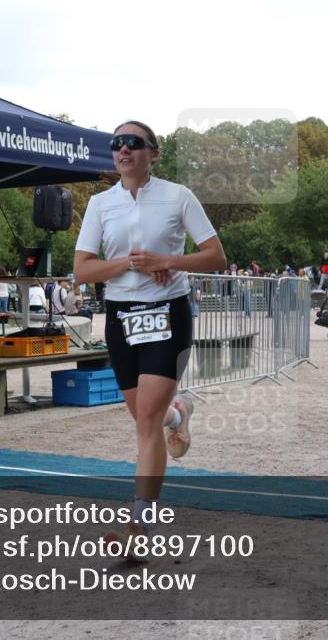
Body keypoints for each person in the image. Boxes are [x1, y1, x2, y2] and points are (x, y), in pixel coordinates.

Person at [73, 120, 226, 553]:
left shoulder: (178, 196)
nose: (123, 150)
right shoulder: (102, 204)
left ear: (153, 153)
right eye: (117, 144)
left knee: (144, 423)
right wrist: (128, 264)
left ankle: (140, 530)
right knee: (146, 417)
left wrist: (168, 260)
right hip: (121, 316)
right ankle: (178, 416)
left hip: (167, 313)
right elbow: (83, 269)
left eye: (133, 143)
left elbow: (216, 256)